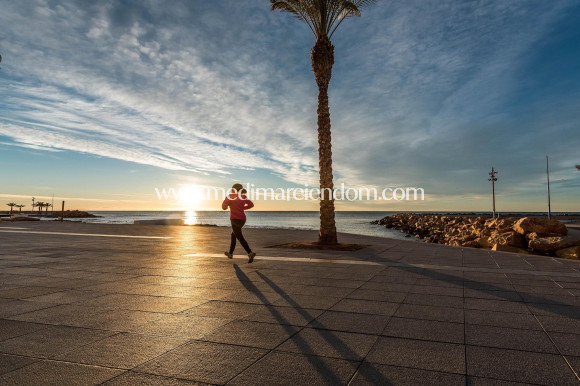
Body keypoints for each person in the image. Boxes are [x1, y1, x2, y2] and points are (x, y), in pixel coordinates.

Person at [222, 183, 256, 263]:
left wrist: (227, 206)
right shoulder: (243, 196)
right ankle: (230, 253)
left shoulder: (230, 196)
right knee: (234, 235)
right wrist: (242, 207)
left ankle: (250, 252)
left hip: (234, 219)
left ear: (233, 189)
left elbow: (224, 207)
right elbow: (251, 205)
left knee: (239, 236)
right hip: (242, 219)